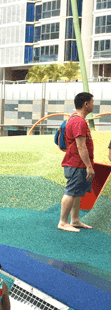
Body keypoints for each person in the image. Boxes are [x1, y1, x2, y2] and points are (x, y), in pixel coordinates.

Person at [59, 92, 95, 233]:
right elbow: (81, 146)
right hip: (76, 163)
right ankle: (63, 222)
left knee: (77, 192)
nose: (93, 105)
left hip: (76, 163)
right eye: (92, 102)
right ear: (86, 104)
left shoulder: (75, 119)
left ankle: (74, 219)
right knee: (71, 191)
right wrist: (89, 166)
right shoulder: (78, 122)